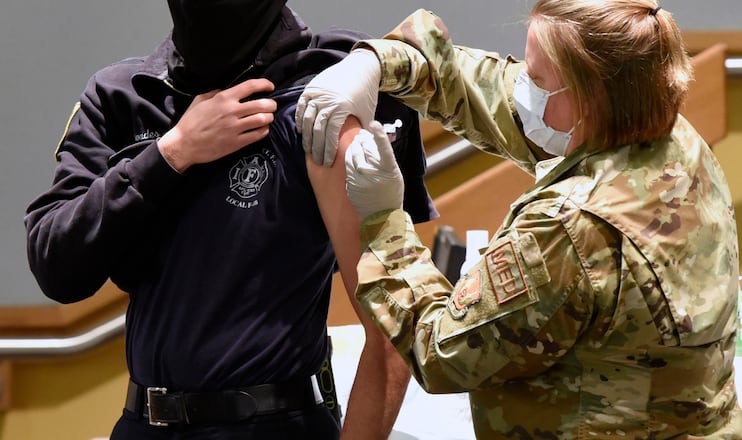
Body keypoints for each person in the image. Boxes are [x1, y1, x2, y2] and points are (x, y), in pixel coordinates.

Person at [297, 0, 742, 437]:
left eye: (536, 78)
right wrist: (376, 62)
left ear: (587, 97)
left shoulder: (568, 230)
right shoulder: (666, 136)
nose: (522, 87)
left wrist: (384, 218)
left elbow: (441, 352)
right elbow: (484, 86)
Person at [23, 1, 438, 438]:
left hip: (277, 423)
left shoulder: (328, 89)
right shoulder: (124, 95)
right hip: (145, 422)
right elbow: (56, 264)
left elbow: (392, 330)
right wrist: (173, 151)